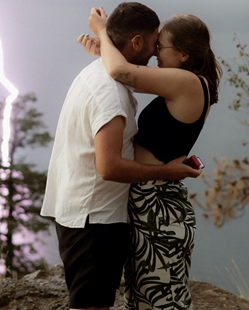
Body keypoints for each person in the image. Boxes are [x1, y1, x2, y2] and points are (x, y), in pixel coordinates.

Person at [40, 3, 201, 310]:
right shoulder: (110, 92)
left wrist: (104, 44)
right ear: (137, 42)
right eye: (155, 43)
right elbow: (109, 166)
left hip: (85, 214)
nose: (155, 53)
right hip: (95, 220)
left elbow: (122, 70)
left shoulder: (97, 74)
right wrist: (166, 172)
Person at [78, 7, 222, 310]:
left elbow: (120, 72)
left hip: (158, 209)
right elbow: (124, 75)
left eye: (161, 46)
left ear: (183, 55)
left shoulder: (189, 83)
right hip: (152, 204)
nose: (155, 51)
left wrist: (103, 31)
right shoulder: (189, 83)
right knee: (146, 300)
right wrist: (104, 52)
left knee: (161, 302)